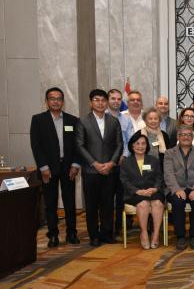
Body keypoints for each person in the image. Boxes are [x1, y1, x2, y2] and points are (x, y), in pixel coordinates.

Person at [30, 87, 80, 247]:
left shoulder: (73, 120)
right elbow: (36, 146)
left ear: (63, 102)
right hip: (48, 169)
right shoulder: (38, 120)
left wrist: (75, 164)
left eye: (59, 98)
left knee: (70, 202)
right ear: (46, 101)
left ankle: (72, 232)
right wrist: (43, 167)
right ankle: (53, 234)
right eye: (52, 98)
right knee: (50, 203)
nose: (56, 101)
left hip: (68, 167)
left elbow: (78, 145)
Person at [76, 89, 123, 247]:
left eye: (103, 100)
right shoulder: (83, 121)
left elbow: (119, 144)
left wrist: (111, 163)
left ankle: (107, 234)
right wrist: (94, 164)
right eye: (97, 100)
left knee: (108, 204)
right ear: (91, 102)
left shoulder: (113, 121)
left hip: (110, 170)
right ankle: (94, 236)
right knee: (91, 205)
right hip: (91, 170)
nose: (100, 103)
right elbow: (80, 145)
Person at [163, 125, 194, 250]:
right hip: (176, 187)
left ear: (192, 137)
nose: (186, 137)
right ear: (178, 137)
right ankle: (180, 236)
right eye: (183, 134)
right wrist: (177, 189)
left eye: (189, 135)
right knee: (178, 201)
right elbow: (168, 173)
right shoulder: (169, 153)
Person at [120, 133, 165, 249]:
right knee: (143, 204)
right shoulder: (126, 162)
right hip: (134, 194)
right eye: (137, 143)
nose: (140, 146)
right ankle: (144, 233)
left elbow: (159, 177)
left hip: (152, 191)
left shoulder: (153, 160)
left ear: (147, 146)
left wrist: (155, 188)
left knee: (158, 204)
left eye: (143, 143)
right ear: (132, 146)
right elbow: (124, 181)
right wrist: (137, 191)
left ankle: (155, 234)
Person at [106, 88, 132, 238]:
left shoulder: (125, 119)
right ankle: (107, 228)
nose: (116, 101)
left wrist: (124, 155)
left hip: (122, 163)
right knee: (107, 198)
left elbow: (129, 140)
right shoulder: (103, 117)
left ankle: (118, 228)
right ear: (108, 100)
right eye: (113, 99)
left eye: (118, 99)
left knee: (121, 197)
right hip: (106, 164)